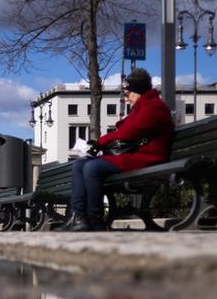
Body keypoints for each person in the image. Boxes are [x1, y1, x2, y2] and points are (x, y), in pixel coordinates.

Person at [66, 69, 174, 232]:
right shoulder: (143, 106)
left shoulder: (154, 107)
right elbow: (123, 127)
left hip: (149, 159)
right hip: (137, 156)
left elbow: (129, 132)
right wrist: (98, 144)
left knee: (92, 167)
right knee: (79, 164)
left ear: (138, 92)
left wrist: (99, 143)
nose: (126, 97)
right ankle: (78, 217)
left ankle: (95, 220)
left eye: (128, 93)